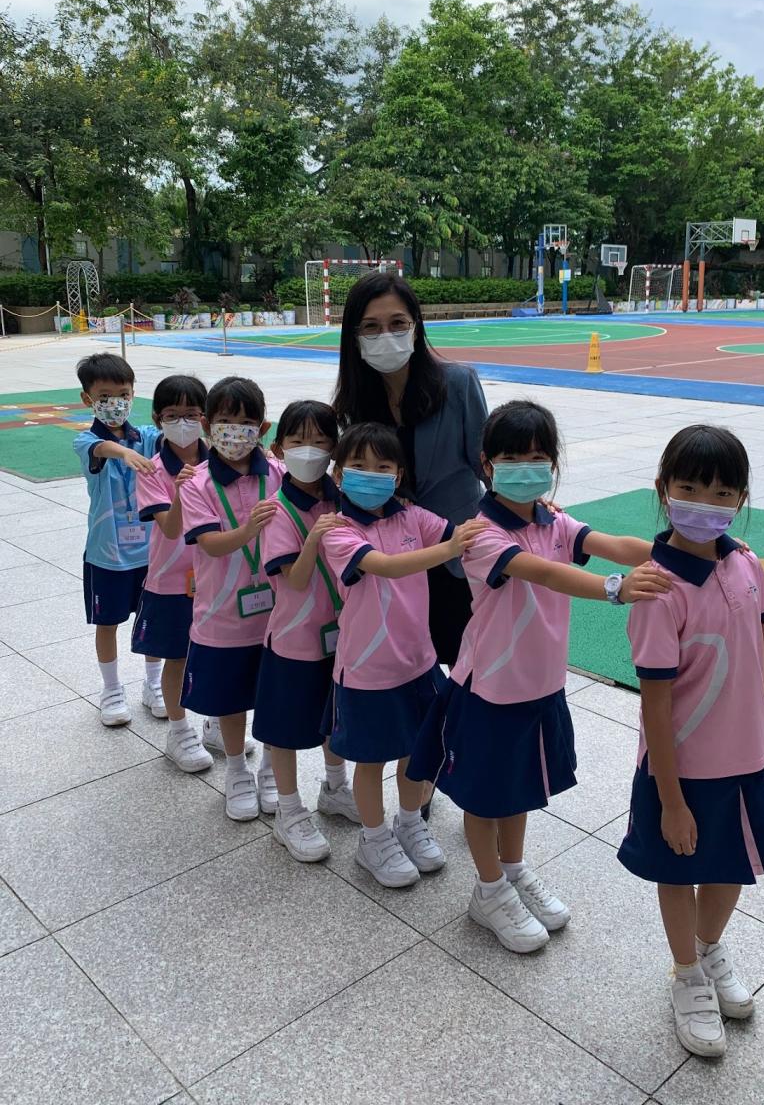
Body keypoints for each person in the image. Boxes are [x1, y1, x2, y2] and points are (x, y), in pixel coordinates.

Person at [408, 399, 671, 953]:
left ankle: (512, 870)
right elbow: (545, 574)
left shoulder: (553, 520)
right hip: (490, 689)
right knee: (484, 798)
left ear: (552, 463)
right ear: (486, 464)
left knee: (521, 788)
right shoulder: (479, 534)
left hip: (542, 685)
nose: (525, 467)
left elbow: (610, 544)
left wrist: (688, 552)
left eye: (537, 457)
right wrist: (615, 588)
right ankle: (488, 891)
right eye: (511, 457)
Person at [617, 424, 764, 1059]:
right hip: (684, 769)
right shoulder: (657, 590)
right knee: (678, 870)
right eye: (690, 488)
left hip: (749, 759)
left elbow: (763, 658)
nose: (705, 503)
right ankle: (686, 974)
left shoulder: (745, 562)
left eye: (722, 493)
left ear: (741, 498)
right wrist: (670, 800)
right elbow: (656, 701)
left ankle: (708, 948)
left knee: (733, 864)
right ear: (663, 489)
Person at [319, 422, 487, 889]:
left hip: (419, 662)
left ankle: (410, 822)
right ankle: (373, 840)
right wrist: (448, 549)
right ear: (338, 474)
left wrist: (527, 515)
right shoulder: (338, 530)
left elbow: (462, 533)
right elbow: (386, 567)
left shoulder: (412, 517)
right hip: (366, 670)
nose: (370, 474)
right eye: (358, 465)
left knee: (418, 752)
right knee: (371, 759)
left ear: (398, 475)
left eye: (382, 466)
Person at [332, 271, 487, 670]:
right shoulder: (353, 401)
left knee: (466, 663)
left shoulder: (458, 384)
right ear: (354, 336)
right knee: (406, 664)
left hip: (455, 549)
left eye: (397, 323)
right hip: (392, 558)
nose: (386, 335)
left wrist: (524, 508)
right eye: (371, 326)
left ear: (416, 326)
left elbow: (486, 465)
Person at [254, 399, 360, 863]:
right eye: (298, 441)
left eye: (320, 441)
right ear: (279, 448)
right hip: (295, 641)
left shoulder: (343, 497)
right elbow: (294, 581)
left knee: (334, 717)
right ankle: (288, 810)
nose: (310, 450)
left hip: (343, 635)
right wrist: (315, 538)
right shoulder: (277, 510)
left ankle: (335, 788)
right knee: (286, 727)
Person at [179, 377, 283, 822]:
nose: (234, 431)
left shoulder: (278, 473)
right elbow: (210, 544)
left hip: (279, 616)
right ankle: (237, 769)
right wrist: (248, 530)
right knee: (231, 699)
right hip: (222, 616)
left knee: (276, 695)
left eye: (245, 423)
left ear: (263, 429)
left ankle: (273, 768)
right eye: (225, 421)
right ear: (207, 425)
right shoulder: (196, 483)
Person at [73, 353, 162, 728]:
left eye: (123, 394)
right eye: (105, 396)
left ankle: (154, 684)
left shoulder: (149, 437)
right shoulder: (85, 440)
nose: (116, 403)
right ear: (88, 399)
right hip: (107, 555)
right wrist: (123, 451)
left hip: (152, 552)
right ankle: (111, 689)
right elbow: (101, 449)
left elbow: (174, 442)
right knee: (107, 623)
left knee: (154, 620)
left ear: (133, 394)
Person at [131, 374, 213, 773]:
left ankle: (219, 721)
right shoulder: (152, 470)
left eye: (192, 414)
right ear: (157, 419)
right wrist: (182, 490)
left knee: (218, 654)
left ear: (205, 418)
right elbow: (170, 528)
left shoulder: (222, 461)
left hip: (220, 578)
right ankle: (179, 732)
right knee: (178, 657)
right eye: (172, 414)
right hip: (172, 580)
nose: (183, 422)